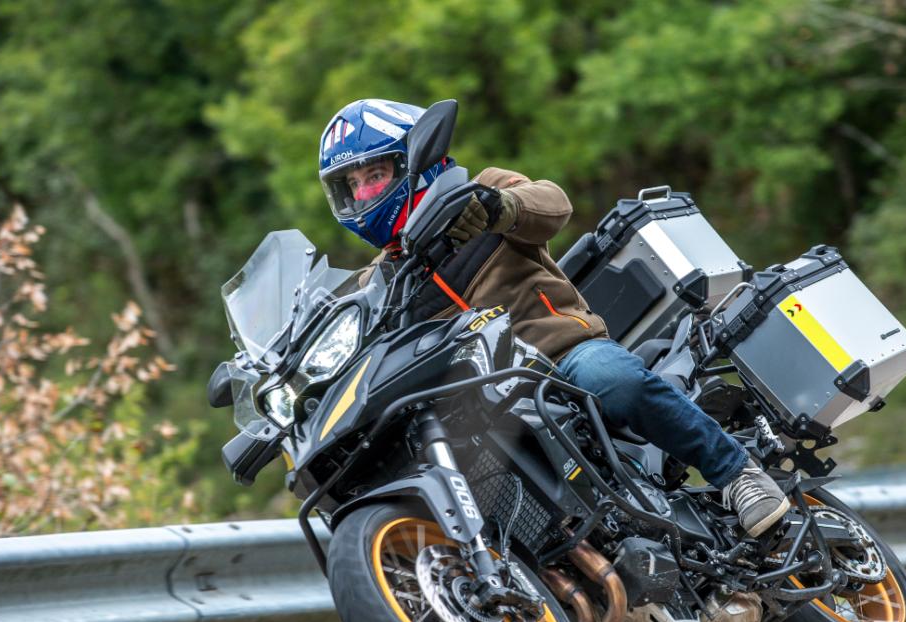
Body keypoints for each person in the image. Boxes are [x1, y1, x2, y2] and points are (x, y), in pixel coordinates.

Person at [318, 99, 789, 536]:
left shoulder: (480, 193)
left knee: (612, 378)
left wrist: (498, 208)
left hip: (559, 355)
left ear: (410, 162)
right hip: (477, 399)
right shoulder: (378, 283)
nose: (363, 192)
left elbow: (553, 204)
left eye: (374, 175)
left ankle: (737, 473)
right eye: (352, 185)